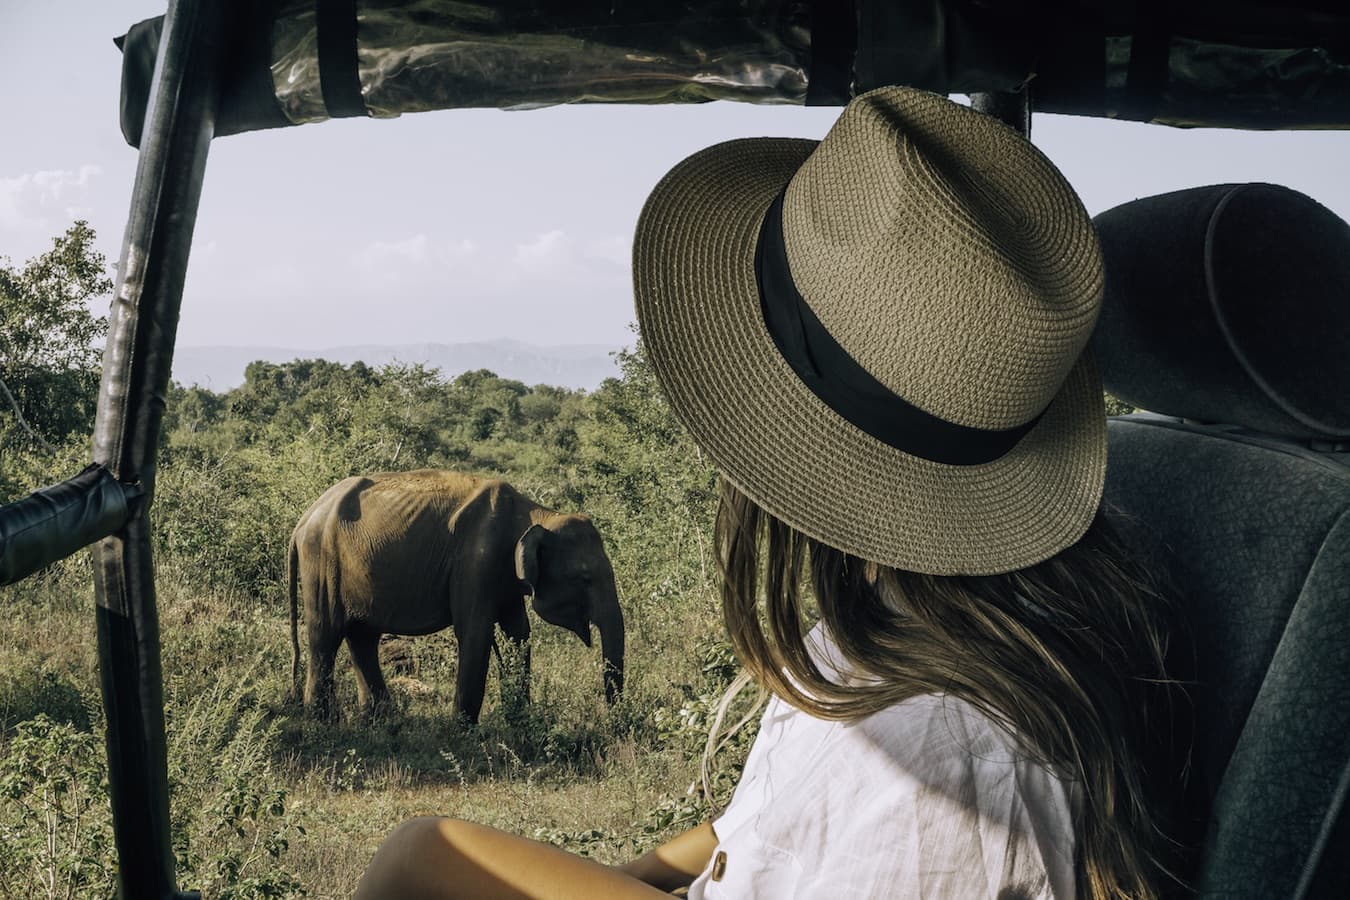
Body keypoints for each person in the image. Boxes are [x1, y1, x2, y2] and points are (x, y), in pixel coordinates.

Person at [354, 86, 1186, 900]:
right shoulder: (898, 613)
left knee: (419, 857)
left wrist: (432, 857)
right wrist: (632, 874)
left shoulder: (953, 773)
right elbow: (760, 825)